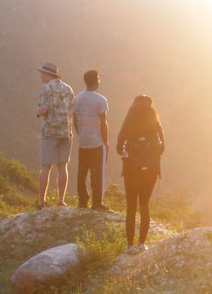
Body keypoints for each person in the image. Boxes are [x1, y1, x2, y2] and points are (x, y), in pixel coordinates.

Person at [117, 95, 165, 255]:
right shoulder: (155, 124)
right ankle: (142, 244)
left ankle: (130, 246)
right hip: (150, 170)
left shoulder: (129, 123)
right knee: (144, 205)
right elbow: (162, 148)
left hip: (132, 170)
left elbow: (119, 147)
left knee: (131, 207)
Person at [35, 62, 75, 209]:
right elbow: (72, 110)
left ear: (49, 75)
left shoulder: (46, 88)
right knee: (62, 165)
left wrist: (38, 111)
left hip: (50, 131)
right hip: (66, 132)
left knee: (46, 166)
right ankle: (61, 200)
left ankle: (42, 201)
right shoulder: (68, 88)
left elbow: (43, 109)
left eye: (43, 73)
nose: (41, 75)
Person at [72, 69, 110, 211]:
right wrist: (106, 142)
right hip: (96, 142)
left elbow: (75, 119)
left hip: (83, 141)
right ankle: (97, 203)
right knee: (97, 173)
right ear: (96, 81)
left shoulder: (78, 98)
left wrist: (80, 133)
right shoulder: (101, 100)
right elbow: (103, 123)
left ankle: (82, 201)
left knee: (82, 172)